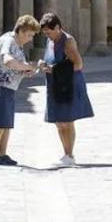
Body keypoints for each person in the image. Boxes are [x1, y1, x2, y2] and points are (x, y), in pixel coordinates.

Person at [0, 14, 41, 166]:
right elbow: (8, 61)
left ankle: (2, 153)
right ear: (22, 31)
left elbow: (18, 65)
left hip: (8, 86)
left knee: (6, 121)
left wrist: (26, 70)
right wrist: (27, 67)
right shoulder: (9, 41)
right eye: (30, 35)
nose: (30, 39)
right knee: (0, 121)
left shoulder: (18, 45)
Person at [39, 12, 94, 167]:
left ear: (57, 27)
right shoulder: (50, 41)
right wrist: (42, 64)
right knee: (58, 121)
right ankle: (66, 153)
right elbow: (51, 59)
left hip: (68, 84)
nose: (47, 36)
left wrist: (54, 69)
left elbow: (78, 64)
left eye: (49, 32)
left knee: (67, 121)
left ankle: (69, 155)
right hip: (54, 85)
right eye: (45, 33)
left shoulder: (67, 41)